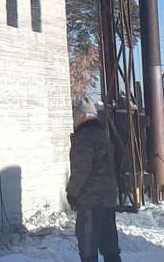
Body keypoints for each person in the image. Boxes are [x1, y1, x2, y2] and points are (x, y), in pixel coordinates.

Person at [67, 95, 121, 262]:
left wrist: (72, 192)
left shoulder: (84, 136)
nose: (74, 121)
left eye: (75, 117)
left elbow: (81, 169)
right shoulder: (103, 135)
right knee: (110, 248)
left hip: (91, 201)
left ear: (82, 116)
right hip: (108, 200)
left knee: (88, 250)